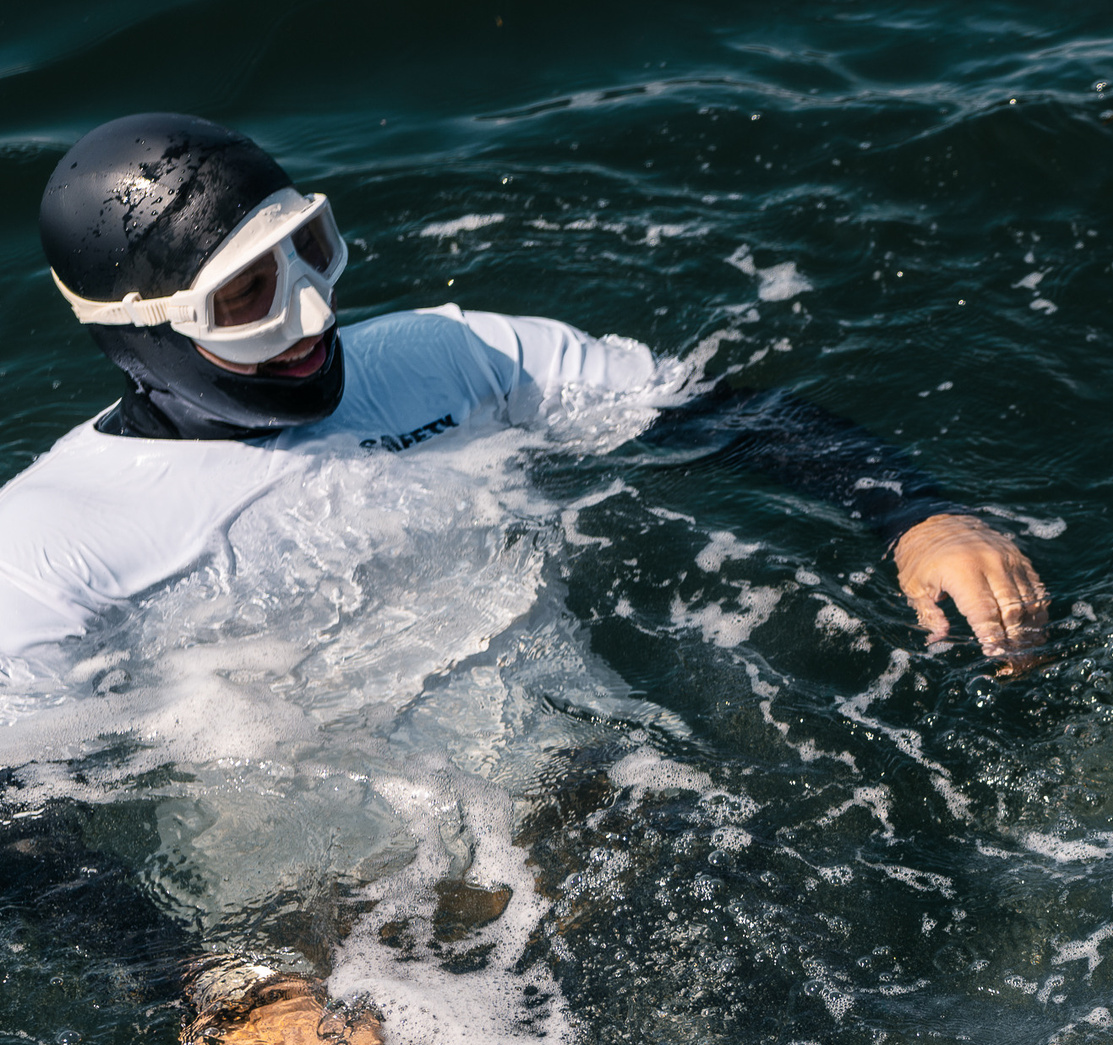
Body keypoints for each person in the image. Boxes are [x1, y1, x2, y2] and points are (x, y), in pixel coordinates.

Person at [3, 112, 1046, 669]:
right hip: (317, 909)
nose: (315, 316)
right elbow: (25, 819)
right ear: (139, 331)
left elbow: (710, 410)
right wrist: (200, 985)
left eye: (310, 252)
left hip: (586, 795)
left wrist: (915, 514)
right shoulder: (49, 545)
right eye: (248, 299)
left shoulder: (449, 359)